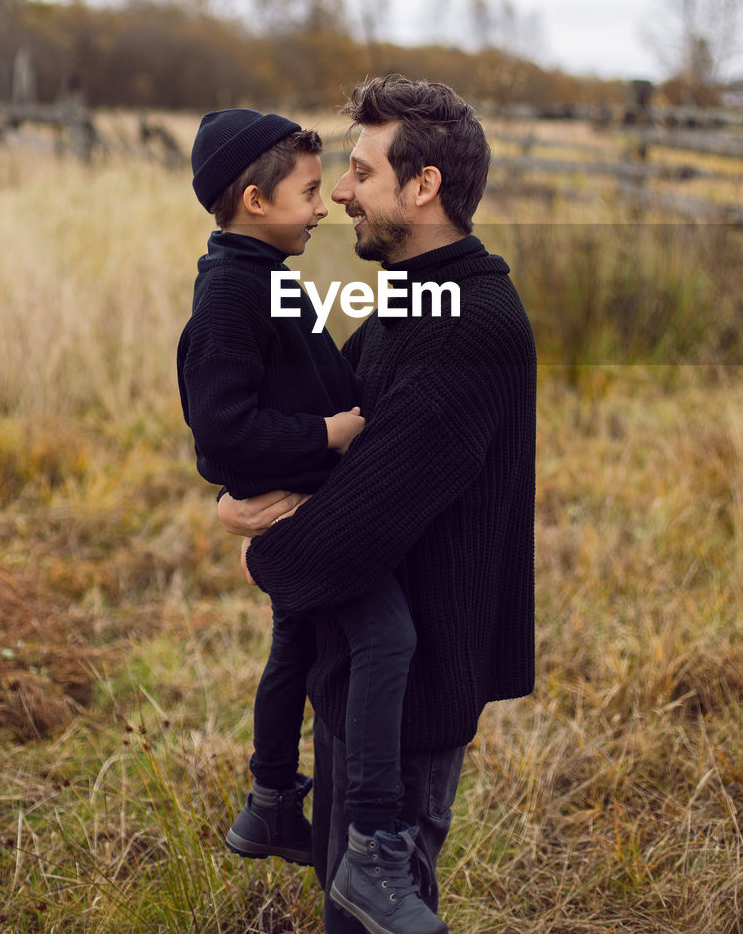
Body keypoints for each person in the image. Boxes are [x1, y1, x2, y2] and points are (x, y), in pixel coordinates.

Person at [221, 76, 537, 934]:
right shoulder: (414, 297)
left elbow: (350, 530)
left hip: (410, 693)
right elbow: (314, 426)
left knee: (370, 915)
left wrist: (260, 549)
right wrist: (241, 485)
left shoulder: (466, 326)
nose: (343, 193)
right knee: (344, 906)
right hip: (359, 671)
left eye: (361, 171)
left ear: (423, 185)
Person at [177, 108, 435, 931]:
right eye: (309, 192)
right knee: (386, 638)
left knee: (294, 642)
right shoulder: (229, 291)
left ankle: (268, 801)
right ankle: (370, 846)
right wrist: (327, 436)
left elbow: (315, 372)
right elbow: (219, 425)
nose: (323, 207)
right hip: (296, 508)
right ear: (255, 200)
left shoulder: (265, 275)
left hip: (300, 498)